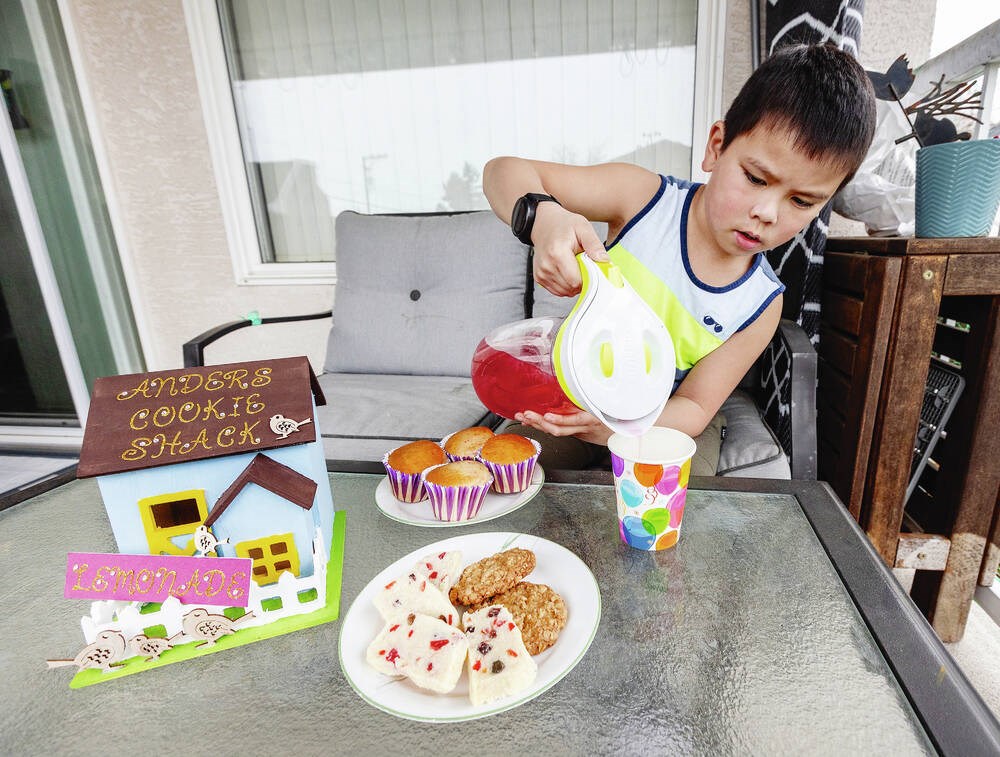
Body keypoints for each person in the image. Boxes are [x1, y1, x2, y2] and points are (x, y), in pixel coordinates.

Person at [482, 43, 876, 475]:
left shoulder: (761, 304)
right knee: (508, 474)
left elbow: (694, 405)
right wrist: (544, 217)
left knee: (671, 515)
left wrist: (616, 428)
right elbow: (502, 170)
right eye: (755, 178)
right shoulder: (643, 200)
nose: (768, 213)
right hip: (575, 395)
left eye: (802, 201)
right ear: (717, 146)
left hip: (661, 418)